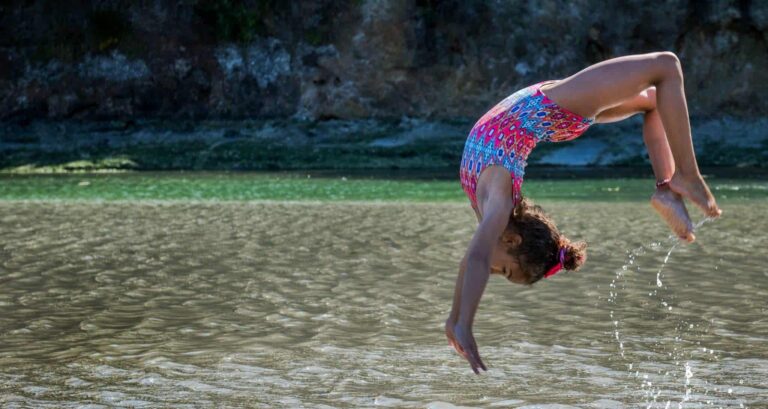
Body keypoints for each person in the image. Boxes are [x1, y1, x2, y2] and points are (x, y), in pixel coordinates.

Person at [445, 52, 722, 374]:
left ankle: (674, 184)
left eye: (501, 272)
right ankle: (677, 180)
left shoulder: (492, 211)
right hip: (553, 109)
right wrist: (463, 322)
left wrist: (456, 320)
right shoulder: (499, 204)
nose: (491, 272)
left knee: (658, 89)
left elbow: (472, 260)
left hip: (548, 111)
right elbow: (476, 260)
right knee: (665, 68)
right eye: (504, 271)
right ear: (513, 241)